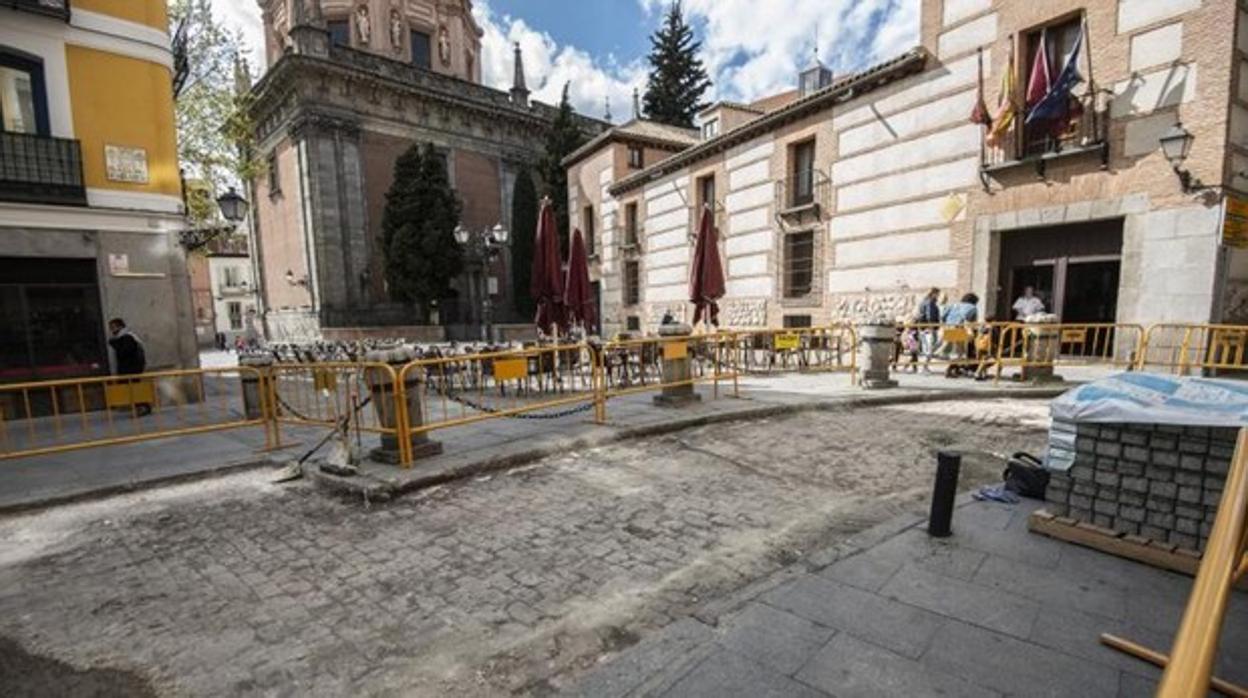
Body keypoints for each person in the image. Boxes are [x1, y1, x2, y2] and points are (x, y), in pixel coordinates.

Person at [107, 318, 151, 416]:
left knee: (133, 389)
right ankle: (141, 407)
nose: (111, 330)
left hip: (131, 369)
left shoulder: (127, 337)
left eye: (113, 327)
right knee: (131, 389)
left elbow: (124, 352)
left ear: (120, 326)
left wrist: (114, 343)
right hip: (129, 369)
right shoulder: (125, 337)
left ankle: (143, 407)